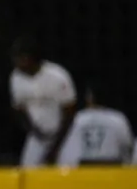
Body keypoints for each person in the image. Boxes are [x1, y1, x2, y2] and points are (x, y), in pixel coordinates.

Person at [9, 36, 77, 167]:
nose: (16, 62)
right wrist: (33, 131)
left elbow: (70, 113)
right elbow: (19, 109)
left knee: (67, 172)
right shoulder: (15, 78)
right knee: (28, 171)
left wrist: (55, 147)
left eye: (20, 58)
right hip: (38, 136)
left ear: (31, 57)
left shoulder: (57, 75)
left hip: (65, 135)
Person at [57, 84, 135, 167]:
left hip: (80, 174)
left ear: (89, 98)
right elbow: (129, 151)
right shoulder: (119, 119)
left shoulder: (76, 119)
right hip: (112, 173)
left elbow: (65, 154)